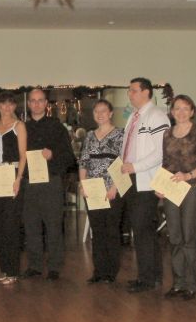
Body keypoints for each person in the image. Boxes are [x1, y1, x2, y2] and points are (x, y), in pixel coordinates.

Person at [159, 95, 196, 301]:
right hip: (172, 189)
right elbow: (165, 163)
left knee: (189, 236)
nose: (181, 112)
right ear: (172, 111)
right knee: (174, 237)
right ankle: (177, 282)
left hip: (192, 188)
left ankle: (191, 285)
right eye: (177, 108)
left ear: (192, 112)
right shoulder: (167, 134)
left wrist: (188, 175)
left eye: (185, 108)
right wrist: (161, 186)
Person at [121, 77, 170, 293]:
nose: (129, 94)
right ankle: (150, 275)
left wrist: (135, 166)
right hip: (132, 178)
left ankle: (148, 278)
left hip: (146, 181)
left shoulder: (157, 116)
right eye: (129, 90)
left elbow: (161, 151)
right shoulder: (134, 116)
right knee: (141, 230)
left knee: (143, 230)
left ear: (146, 92)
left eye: (133, 90)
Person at [21, 88, 76, 281]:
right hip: (29, 183)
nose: (36, 104)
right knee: (31, 226)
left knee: (53, 226)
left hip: (51, 183)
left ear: (46, 104)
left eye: (40, 100)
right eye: (33, 100)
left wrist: (53, 154)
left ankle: (54, 266)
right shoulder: (22, 128)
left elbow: (69, 157)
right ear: (28, 104)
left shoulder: (57, 127)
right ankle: (35, 265)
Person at [78, 99, 124, 284]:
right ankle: (99, 271)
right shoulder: (89, 136)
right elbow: (83, 162)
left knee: (111, 230)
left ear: (111, 113)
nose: (100, 114)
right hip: (93, 189)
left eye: (103, 111)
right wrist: (83, 184)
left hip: (112, 189)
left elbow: (123, 163)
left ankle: (111, 272)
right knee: (97, 231)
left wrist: (114, 187)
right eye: (96, 111)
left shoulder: (120, 134)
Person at [0, 91, 27, 285]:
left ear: (14, 106)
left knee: (11, 224)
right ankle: (4, 268)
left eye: (11, 104)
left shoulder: (19, 126)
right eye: (4, 104)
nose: (7, 107)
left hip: (13, 175)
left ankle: (13, 270)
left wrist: (18, 178)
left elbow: (23, 155)